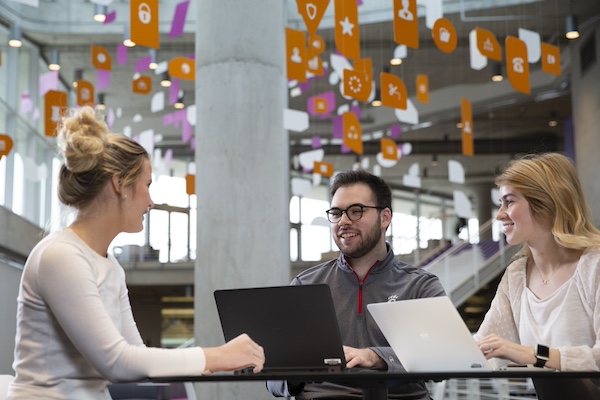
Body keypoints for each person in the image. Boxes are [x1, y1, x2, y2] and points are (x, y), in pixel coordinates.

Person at [6, 106, 264, 400]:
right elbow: (118, 363)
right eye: (148, 185)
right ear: (120, 185)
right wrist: (217, 356)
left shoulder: (110, 266)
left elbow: (138, 358)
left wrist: (216, 360)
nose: (151, 201)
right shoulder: (60, 256)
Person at [267, 169, 445, 399]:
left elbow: (441, 356)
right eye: (336, 213)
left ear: (385, 218)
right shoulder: (305, 285)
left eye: (355, 211)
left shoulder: (420, 286)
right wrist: (293, 372)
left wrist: (376, 357)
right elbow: (274, 382)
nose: (343, 221)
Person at [474, 152, 600, 399]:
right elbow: (484, 345)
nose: (500, 214)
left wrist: (535, 355)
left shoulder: (594, 265)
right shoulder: (516, 275)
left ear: (545, 205)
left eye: (509, 202)